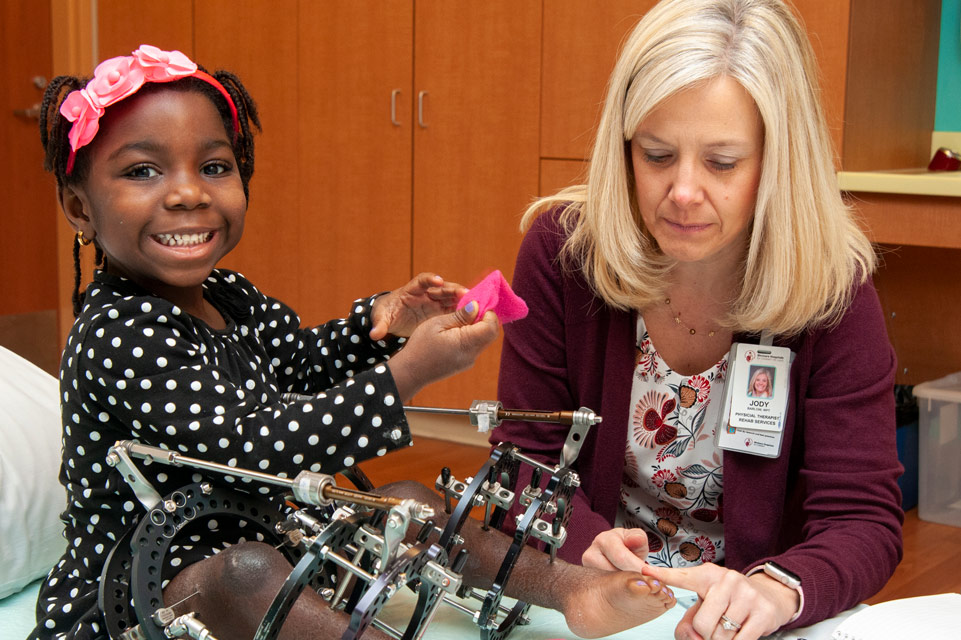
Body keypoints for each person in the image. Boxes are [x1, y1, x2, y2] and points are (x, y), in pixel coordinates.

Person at [32, 45, 674, 640]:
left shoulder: (229, 294)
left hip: (272, 539)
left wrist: (380, 323)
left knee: (408, 504)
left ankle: (572, 590)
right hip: (143, 596)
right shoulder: (117, 335)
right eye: (143, 170)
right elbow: (252, 446)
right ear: (80, 209)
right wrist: (405, 376)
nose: (188, 192)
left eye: (214, 166)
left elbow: (300, 364)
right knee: (247, 574)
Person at [491, 1, 903, 639]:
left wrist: (773, 591)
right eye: (656, 155)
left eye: (722, 163)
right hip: (594, 602)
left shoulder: (832, 288)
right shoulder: (562, 252)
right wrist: (589, 556)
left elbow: (861, 520)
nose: (683, 192)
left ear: (776, 162)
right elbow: (523, 463)